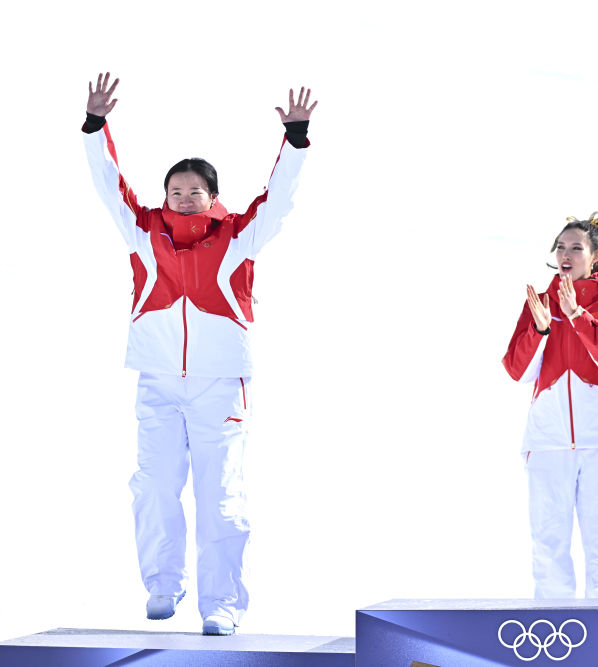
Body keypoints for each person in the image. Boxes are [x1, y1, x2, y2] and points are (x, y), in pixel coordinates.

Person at [82, 72, 316, 636]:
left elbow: (278, 201)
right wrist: (95, 126)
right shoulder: (143, 233)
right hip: (158, 381)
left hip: (219, 384)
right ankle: (163, 584)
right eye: (176, 191)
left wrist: (295, 140)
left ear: (213, 196)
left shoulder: (238, 236)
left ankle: (221, 603)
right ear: (164, 196)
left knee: (221, 495)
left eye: (195, 191)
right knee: (154, 485)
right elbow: (109, 186)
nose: (185, 199)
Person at [502, 212, 598, 598]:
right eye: (561, 247)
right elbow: (517, 370)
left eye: (576, 248)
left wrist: (577, 315)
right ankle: (554, 627)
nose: (566, 254)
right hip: (548, 440)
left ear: (595, 257)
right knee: (548, 545)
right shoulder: (540, 304)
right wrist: (540, 328)